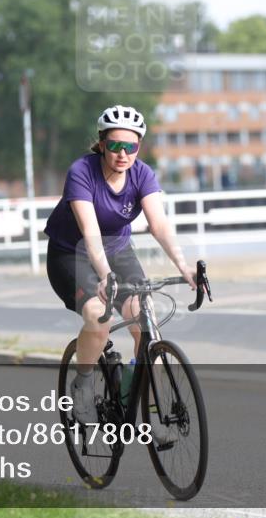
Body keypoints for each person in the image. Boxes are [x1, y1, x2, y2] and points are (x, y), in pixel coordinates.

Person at [44, 105, 196, 431]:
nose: (122, 153)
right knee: (99, 317)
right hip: (72, 254)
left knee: (145, 319)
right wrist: (103, 276)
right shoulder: (81, 172)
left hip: (119, 251)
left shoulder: (142, 174)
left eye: (131, 146)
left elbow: (159, 225)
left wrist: (184, 267)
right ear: (101, 144)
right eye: (114, 145)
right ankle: (82, 386)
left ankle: (138, 396)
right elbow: (90, 233)